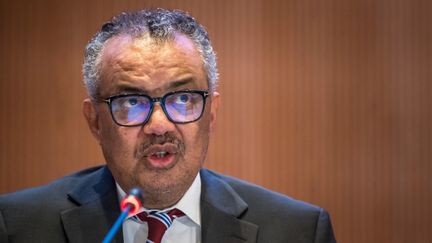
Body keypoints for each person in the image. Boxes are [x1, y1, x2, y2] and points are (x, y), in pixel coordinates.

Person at [0, 9, 336, 243]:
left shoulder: (298, 231)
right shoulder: (17, 226)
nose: (159, 126)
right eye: (131, 102)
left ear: (212, 112)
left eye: (183, 99)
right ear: (95, 122)